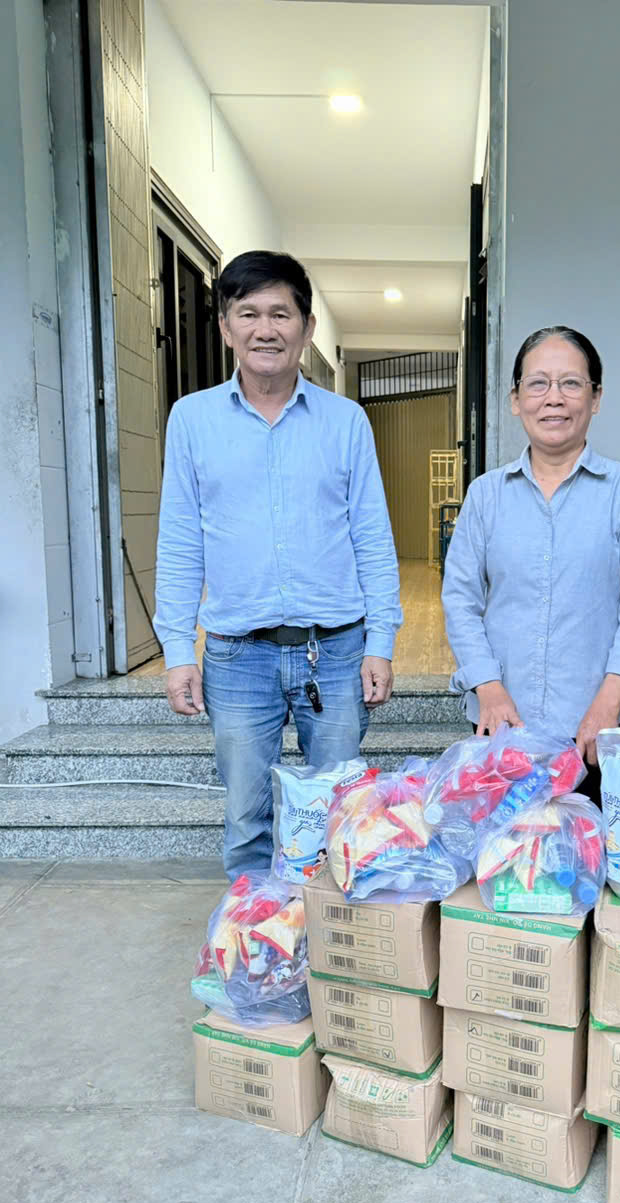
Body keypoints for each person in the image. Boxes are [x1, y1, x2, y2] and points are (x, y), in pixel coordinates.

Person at [154, 250, 401, 879]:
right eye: (249, 313)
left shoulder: (345, 421)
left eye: (281, 314)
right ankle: (255, 931)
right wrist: (178, 649)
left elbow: (372, 537)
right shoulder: (192, 420)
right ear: (225, 327)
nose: (266, 329)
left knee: (342, 812)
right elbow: (180, 540)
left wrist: (381, 641)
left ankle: (335, 932)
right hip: (237, 656)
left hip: (336, 652)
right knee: (247, 817)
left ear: (307, 327)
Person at [441, 325, 620, 806]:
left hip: (598, 729)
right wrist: (488, 688)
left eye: (571, 383)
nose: (554, 398)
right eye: (538, 383)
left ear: (596, 398)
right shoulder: (486, 495)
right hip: (503, 725)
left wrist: (607, 704)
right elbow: (460, 600)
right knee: (505, 851)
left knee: (596, 851)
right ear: (515, 399)